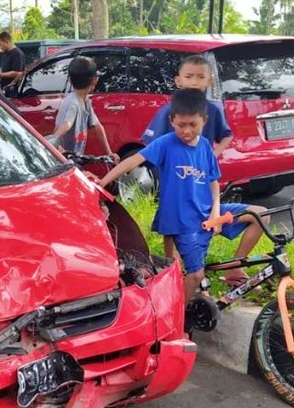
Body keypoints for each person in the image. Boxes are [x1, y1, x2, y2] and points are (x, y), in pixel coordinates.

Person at [98, 89, 265, 304]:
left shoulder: (205, 146)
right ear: (172, 121)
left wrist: (216, 210)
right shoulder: (166, 143)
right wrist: (103, 183)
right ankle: (180, 319)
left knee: (260, 215)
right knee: (195, 275)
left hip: (208, 212)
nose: (186, 131)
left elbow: (213, 182)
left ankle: (234, 268)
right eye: (181, 125)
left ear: (204, 121)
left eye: (192, 125)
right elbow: (134, 160)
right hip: (185, 223)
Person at [142, 54, 234, 261]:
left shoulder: (213, 110)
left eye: (200, 77)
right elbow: (151, 145)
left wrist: (211, 157)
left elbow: (227, 135)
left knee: (199, 213)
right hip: (175, 172)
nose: (194, 82)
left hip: (200, 172)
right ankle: (169, 261)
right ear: (178, 80)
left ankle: (196, 259)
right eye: (189, 76)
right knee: (171, 215)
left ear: (210, 79)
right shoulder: (171, 110)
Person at [49, 56, 118, 161]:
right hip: (63, 159)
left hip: (75, 158)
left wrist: (109, 153)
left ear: (70, 80)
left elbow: (98, 126)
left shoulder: (86, 101)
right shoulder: (73, 103)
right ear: (95, 80)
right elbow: (67, 124)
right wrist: (54, 141)